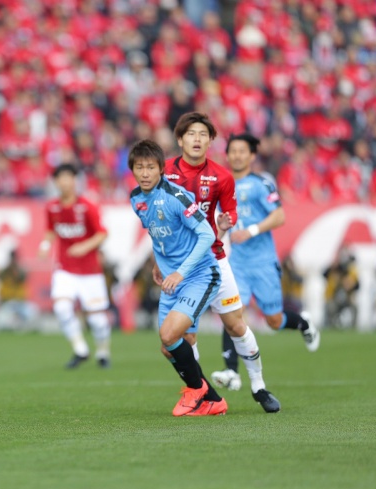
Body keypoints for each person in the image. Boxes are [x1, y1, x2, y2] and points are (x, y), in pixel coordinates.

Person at [160, 111, 279, 413]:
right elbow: (156, 219)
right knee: (184, 335)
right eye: (191, 134)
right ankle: (204, 393)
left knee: (236, 325)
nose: (197, 139)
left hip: (213, 259)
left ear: (211, 141)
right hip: (178, 265)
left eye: (203, 134)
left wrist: (226, 223)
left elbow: (230, 212)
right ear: (180, 139)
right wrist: (156, 260)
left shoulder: (222, 176)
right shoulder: (165, 173)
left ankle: (259, 386)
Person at [211, 133, 321, 391]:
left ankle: (303, 323)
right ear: (227, 155)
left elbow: (279, 216)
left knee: (274, 320)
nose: (237, 155)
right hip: (237, 263)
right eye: (233, 151)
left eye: (242, 151)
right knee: (232, 314)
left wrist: (249, 231)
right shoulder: (221, 185)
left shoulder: (262, 183)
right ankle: (232, 373)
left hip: (263, 263)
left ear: (251, 156)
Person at [128, 139, 225, 416]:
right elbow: (157, 232)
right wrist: (159, 264)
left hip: (198, 275)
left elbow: (206, 234)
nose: (145, 173)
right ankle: (214, 400)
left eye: (150, 167)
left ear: (161, 168)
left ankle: (196, 391)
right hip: (171, 279)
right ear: (132, 170)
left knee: (169, 335)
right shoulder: (136, 199)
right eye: (139, 167)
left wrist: (181, 271)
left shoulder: (176, 196)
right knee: (172, 348)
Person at [40, 163, 111, 369]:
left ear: (74, 181)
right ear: (55, 182)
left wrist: (84, 246)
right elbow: (50, 230)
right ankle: (80, 349)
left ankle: (103, 351)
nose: (64, 182)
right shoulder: (52, 207)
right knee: (61, 307)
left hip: (90, 271)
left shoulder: (87, 206)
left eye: (68, 178)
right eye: (60, 178)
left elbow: (102, 233)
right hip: (65, 268)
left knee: (97, 320)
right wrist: (45, 245)